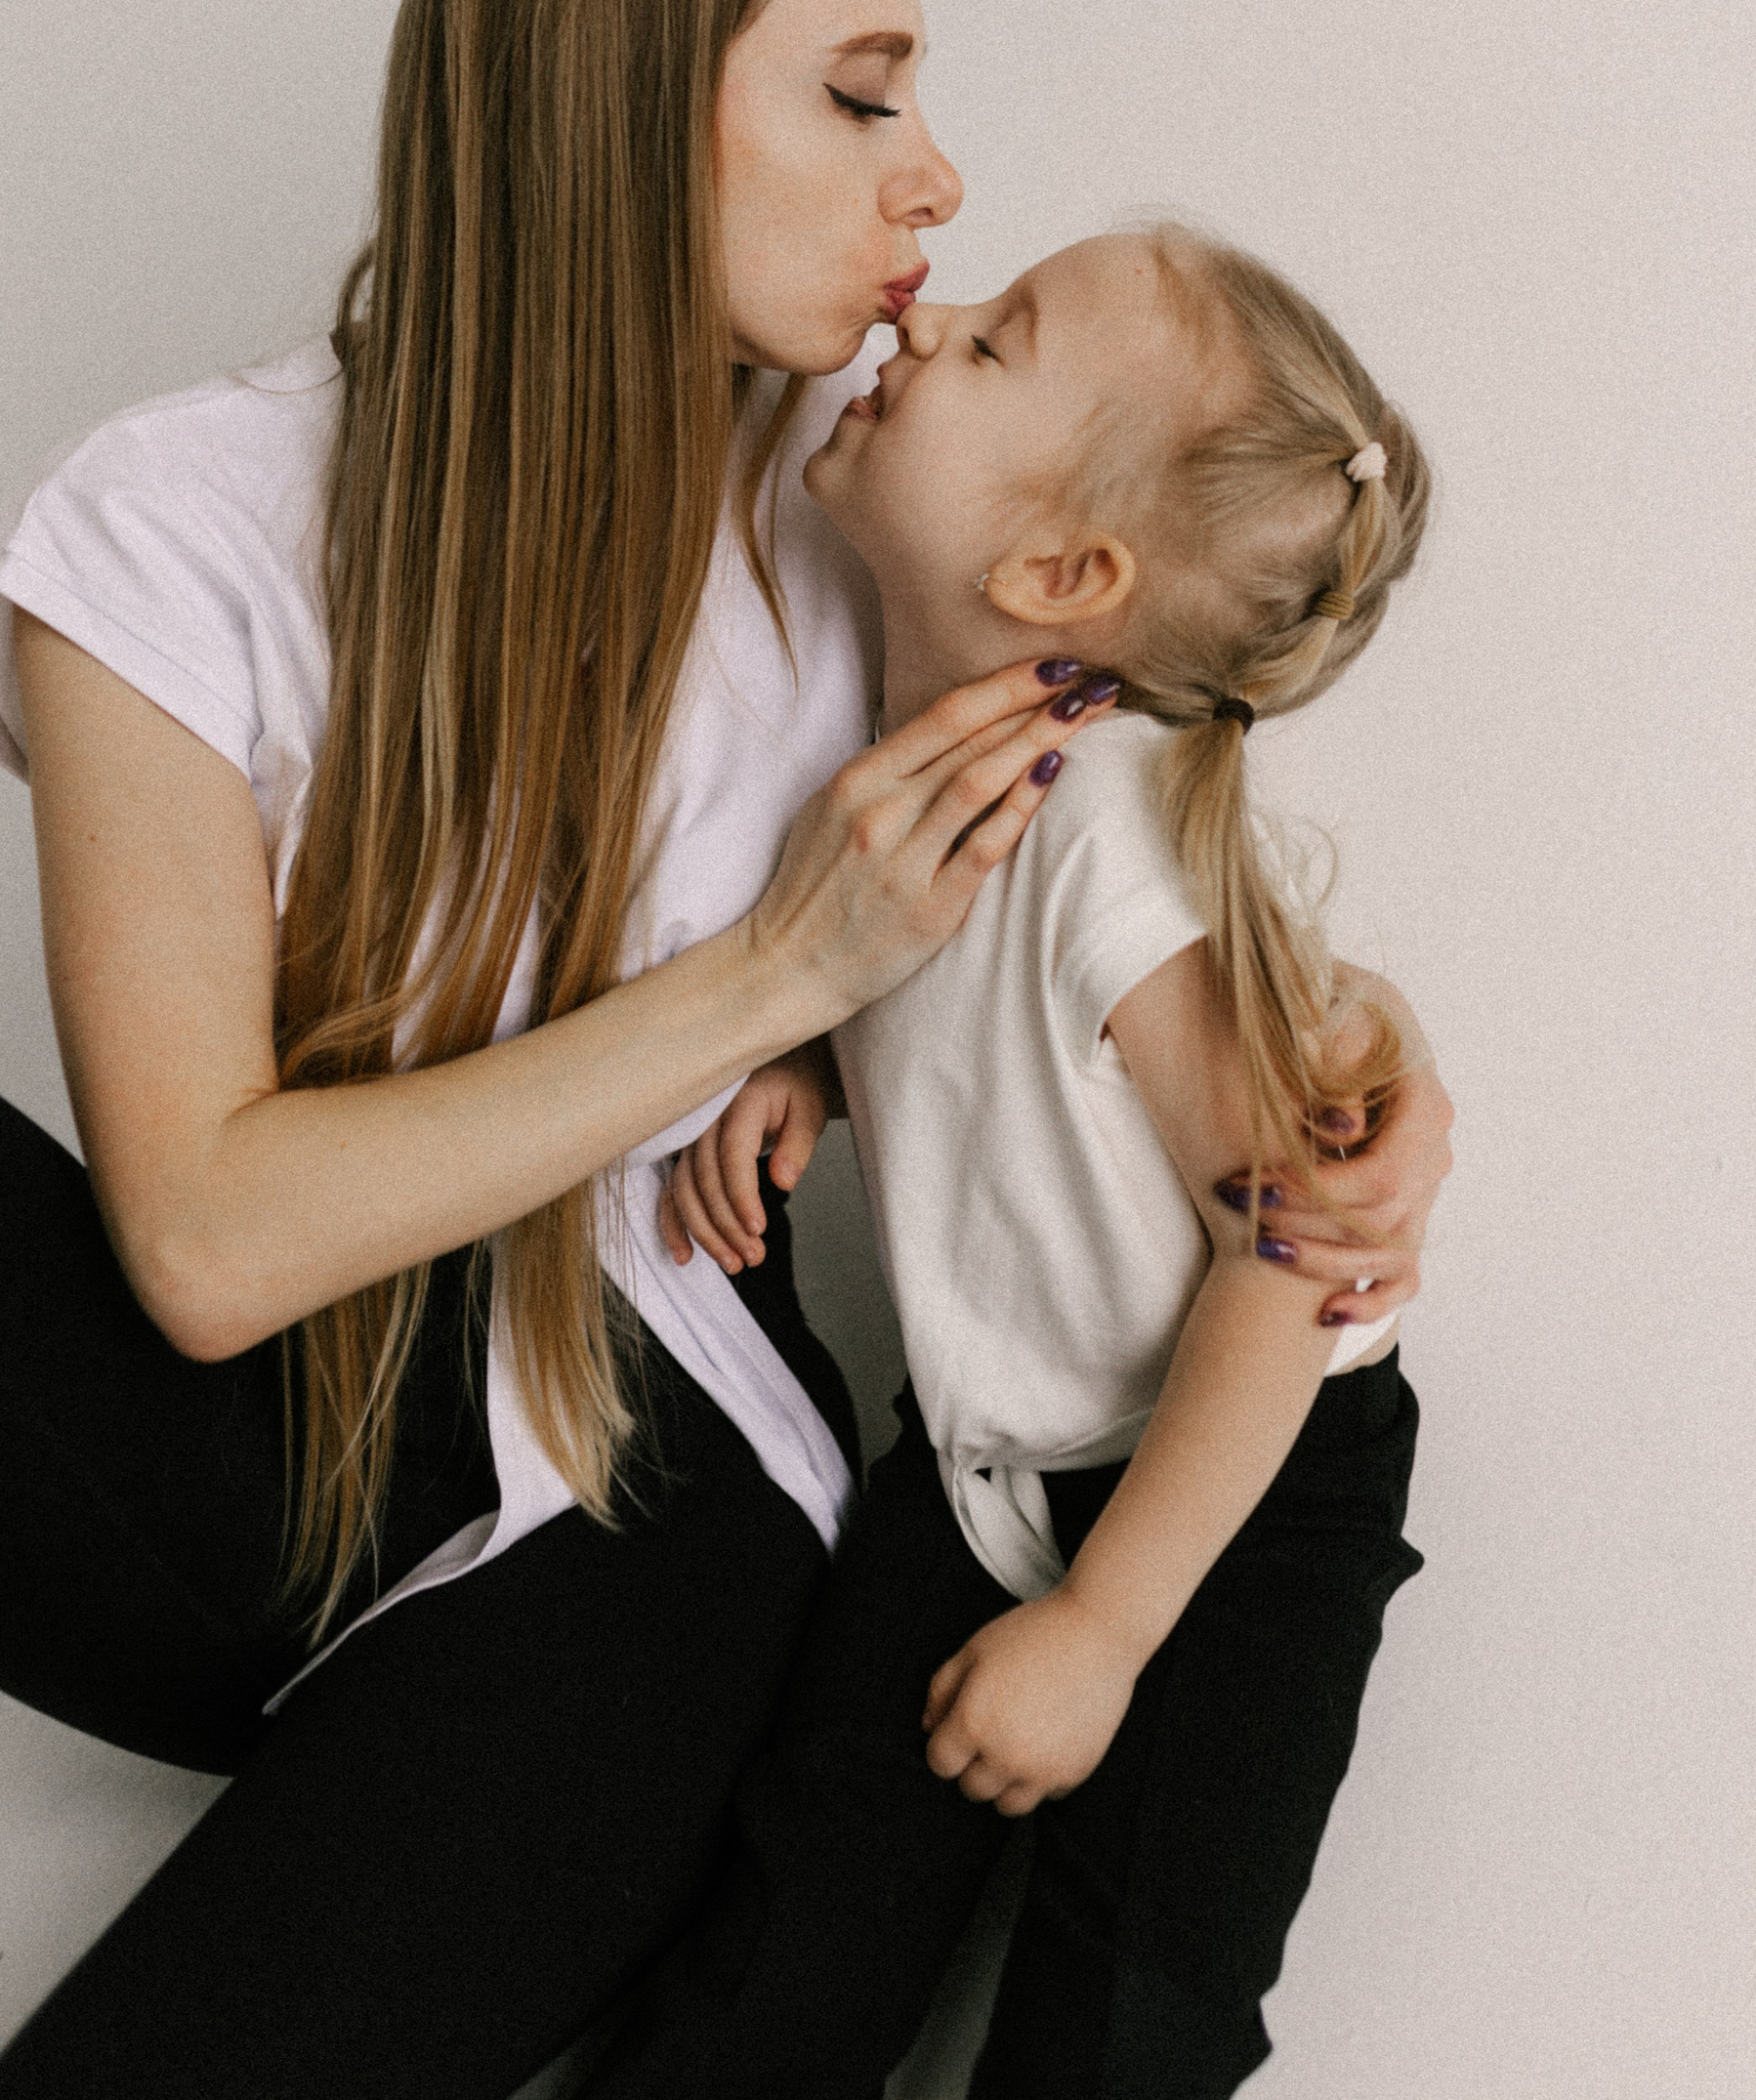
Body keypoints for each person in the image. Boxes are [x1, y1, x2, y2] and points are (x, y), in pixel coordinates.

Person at [0, 0, 1451, 2096]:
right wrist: (776, 980)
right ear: (618, 106)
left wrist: (1368, 1070)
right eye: (860, 95)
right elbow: (203, 1243)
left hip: (648, 1520)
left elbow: (1156, 790)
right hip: (254, 1474)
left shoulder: (892, 504)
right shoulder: (170, 531)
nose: (938, 182)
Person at [606, 224, 1437, 2098]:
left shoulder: (1100, 823)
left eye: (996, 342)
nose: (931, 313)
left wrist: (1106, 1628)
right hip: (986, 1458)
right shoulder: (920, 765)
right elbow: (979, 1027)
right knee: (781, 1963)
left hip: (1243, 1480)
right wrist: (816, 1064)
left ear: (1058, 574)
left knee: (1129, 2026)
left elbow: (1286, 1257)